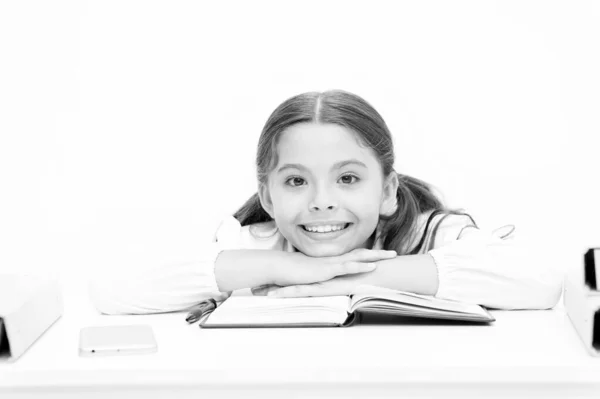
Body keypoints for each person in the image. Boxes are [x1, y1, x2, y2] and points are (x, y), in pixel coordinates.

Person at [90, 89, 563, 315]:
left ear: (387, 192)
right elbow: (113, 290)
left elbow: (543, 282)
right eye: (296, 182)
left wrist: (352, 277)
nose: (321, 202)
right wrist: (285, 269)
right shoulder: (255, 245)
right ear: (267, 197)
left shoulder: (434, 234)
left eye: (348, 178)